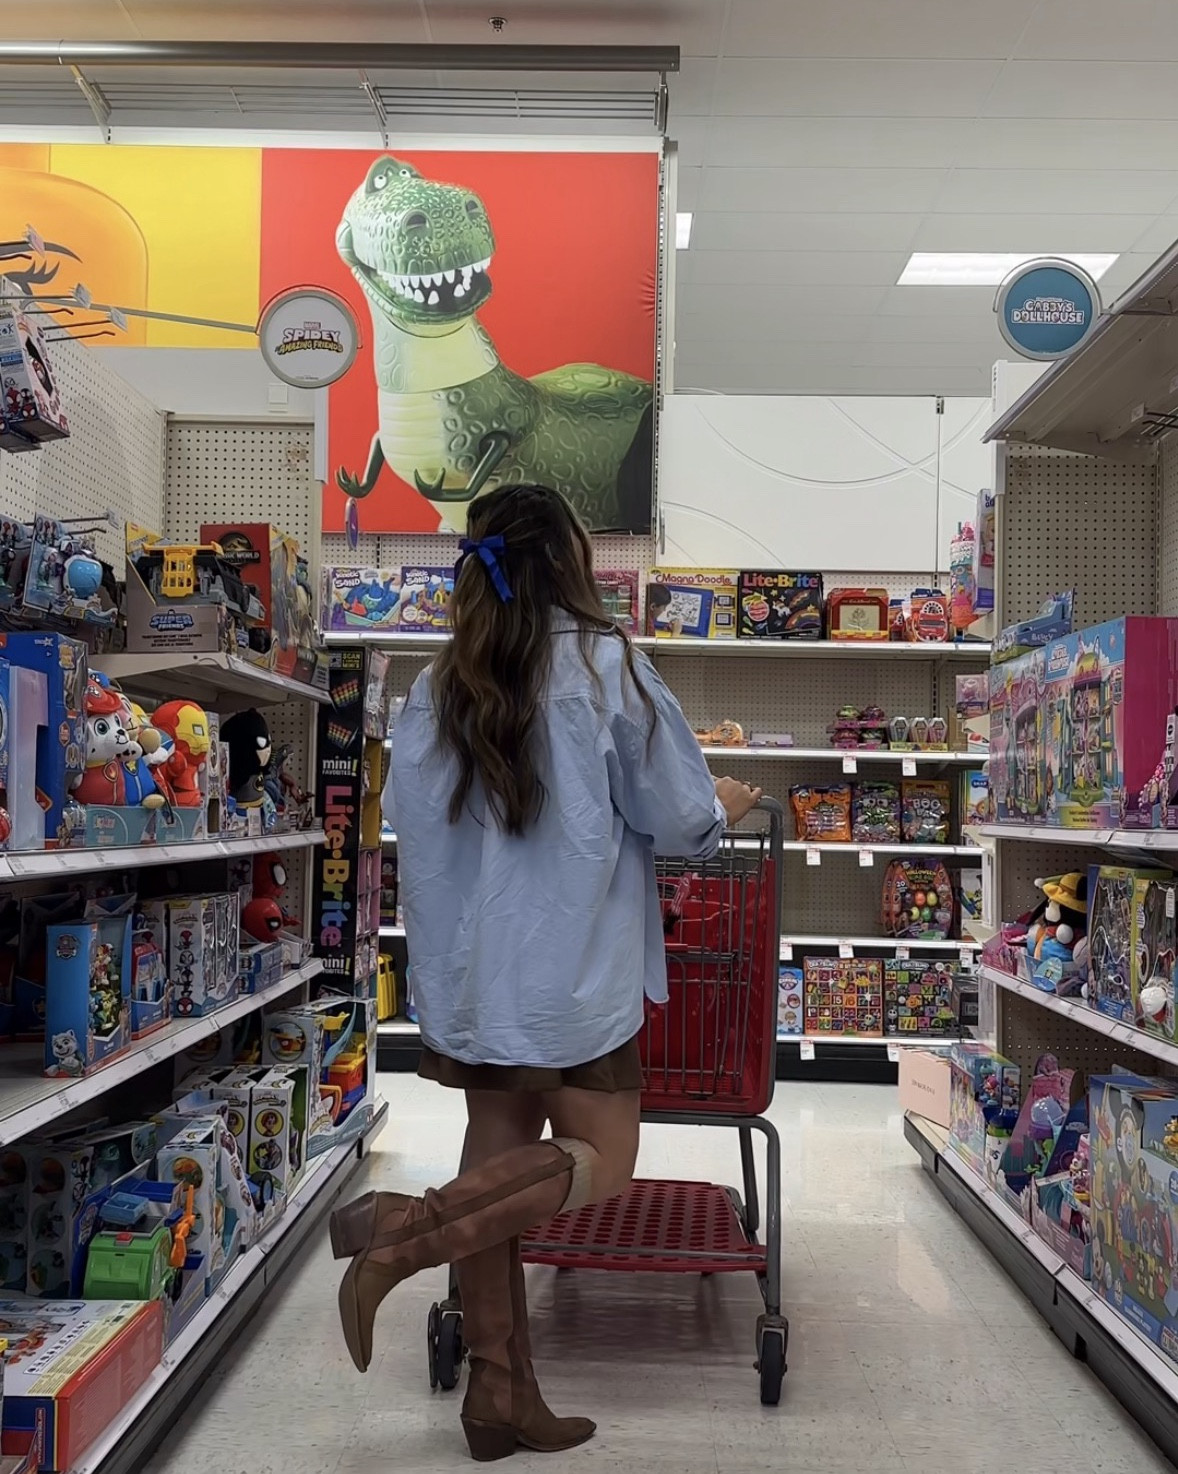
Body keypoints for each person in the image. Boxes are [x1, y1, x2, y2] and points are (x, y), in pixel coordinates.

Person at [329, 484, 761, 1461]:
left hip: (473, 978)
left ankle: (498, 1395)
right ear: (566, 559)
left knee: (497, 1164)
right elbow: (681, 817)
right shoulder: (606, 668)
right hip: (574, 973)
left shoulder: (438, 685)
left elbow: (414, 827)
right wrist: (723, 799)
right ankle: (403, 1233)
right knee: (605, 1162)